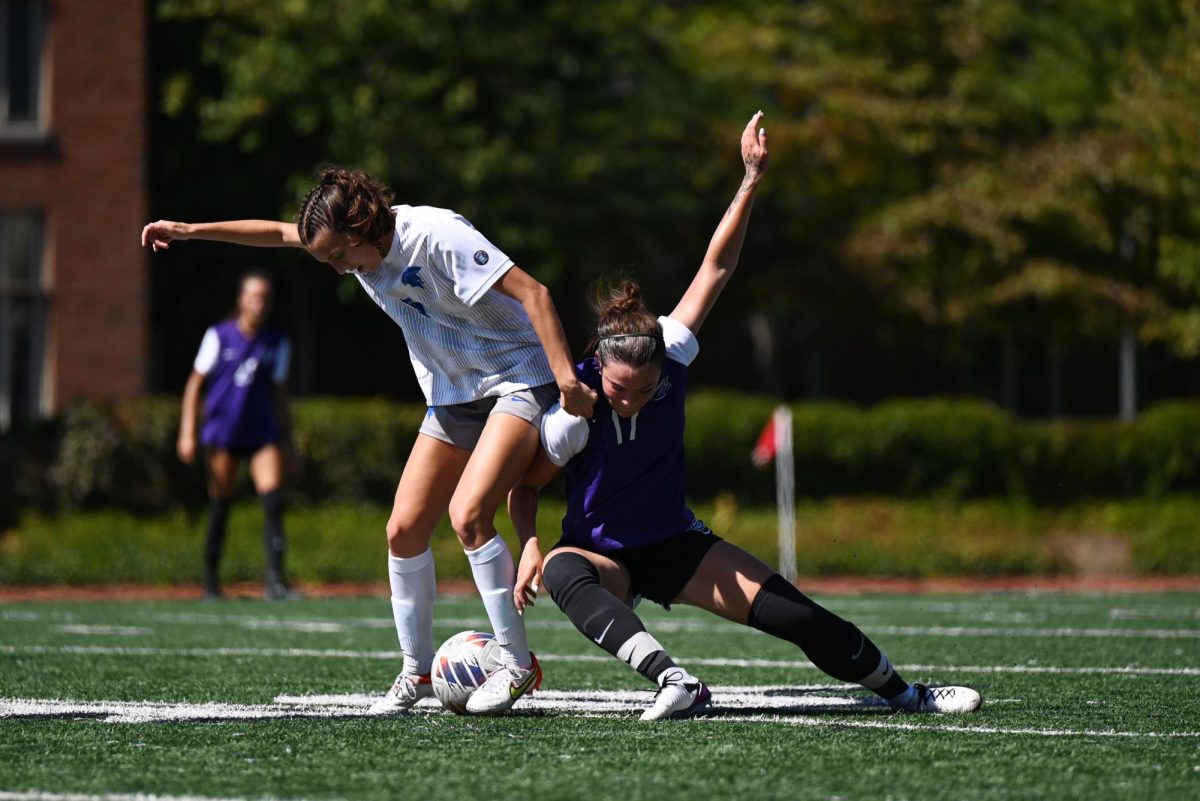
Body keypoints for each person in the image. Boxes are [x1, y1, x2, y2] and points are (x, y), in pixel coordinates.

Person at [508, 112, 983, 720]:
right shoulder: (578, 403)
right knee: (564, 569)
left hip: (676, 544)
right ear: (600, 366)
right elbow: (526, 488)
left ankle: (908, 694)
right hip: (606, 553)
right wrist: (527, 546)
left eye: (645, 389)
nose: (630, 399)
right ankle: (675, 681)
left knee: (798, 615)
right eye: (621, 389)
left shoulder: (671, 353)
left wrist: (751, 179)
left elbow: (716, 267)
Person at [143, 168, 596, 715]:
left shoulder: (435, 235)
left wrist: (567, 381)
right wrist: (190, 230)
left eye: (336, 254)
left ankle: (519, 665)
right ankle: (418, 671)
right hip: (455, 390)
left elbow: (535, 292)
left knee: (469, 515)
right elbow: (272, 232)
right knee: (403, 530)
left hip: (519, 376)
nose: (334, 267)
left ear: (360, 229)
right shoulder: (347, 247)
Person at [179, 270, 301, 601]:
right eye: (252, 296)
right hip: (222, 432)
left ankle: (276, 581)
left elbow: (279, 396)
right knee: (220, 504)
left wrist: (290, 444)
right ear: (241, 299)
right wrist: (187, 432)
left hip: (262, 432)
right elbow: (194, 384)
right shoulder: (219, 336)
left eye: (264, 297)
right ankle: (210, 580)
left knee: (274, 502)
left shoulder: (276, 342)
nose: (258, 303)